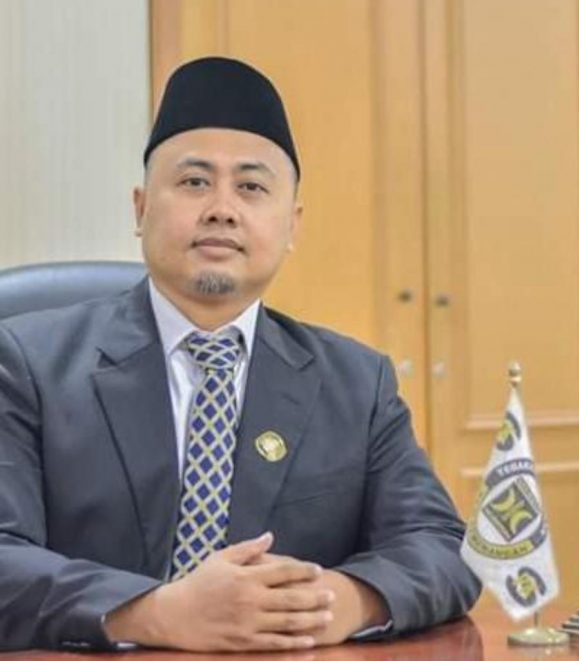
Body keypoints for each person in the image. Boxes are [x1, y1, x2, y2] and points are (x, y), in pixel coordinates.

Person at [0, 57, 480, 652]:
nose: (222, 209)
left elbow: (441, 545)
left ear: (292, 226)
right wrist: (155, 613)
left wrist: (333, 601)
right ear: (140, 209)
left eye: (251, 187)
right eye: (194, 182)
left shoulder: (358, 383)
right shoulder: (28, 364)